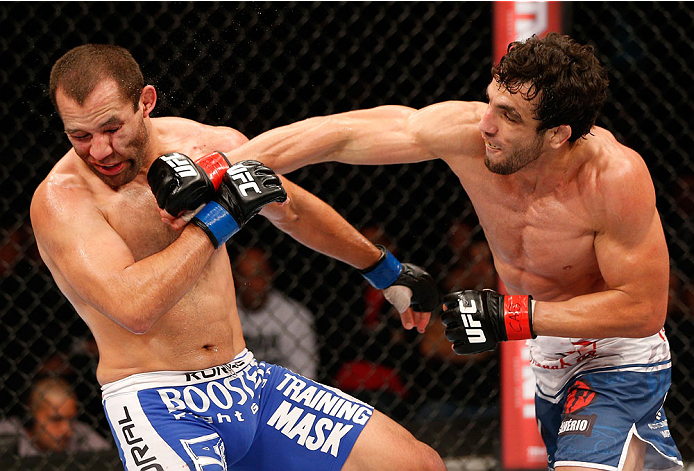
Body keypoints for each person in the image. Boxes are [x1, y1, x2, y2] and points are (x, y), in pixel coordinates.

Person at [218, 33, 683, 471]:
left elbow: (643, 309)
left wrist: (510, 316)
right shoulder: (470, 134)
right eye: (490, 102)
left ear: (559, 134)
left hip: (618, 357)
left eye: (510, 116)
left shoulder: (613, 178)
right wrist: (216, 170)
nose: (486, 123)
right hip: (549, 358)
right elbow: (340, 134)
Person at [30, 44, 445, 470]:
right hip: (156, 401)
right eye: (79, 136)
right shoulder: (63, 200)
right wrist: (222, 216)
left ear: (146, 103)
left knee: (417, 464)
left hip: (247, 382)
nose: (99, 150)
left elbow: (293, 210)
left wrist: (385, 269)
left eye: (112, 128)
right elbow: (134, 307)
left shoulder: (210, 147)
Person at [233, 245, 319, 379]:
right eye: (244, 277)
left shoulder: (295, 315)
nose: (251, 284)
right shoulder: (223, 315)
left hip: (281, 390)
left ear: (270, 276)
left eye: (258, 276)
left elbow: (305, 371)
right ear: (235, 279)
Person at [0, 376, 112, 457]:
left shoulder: (81, 434)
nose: (67, 430)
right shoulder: (6, 432)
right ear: (30, 416)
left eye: (71, 420)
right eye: (56, 419)